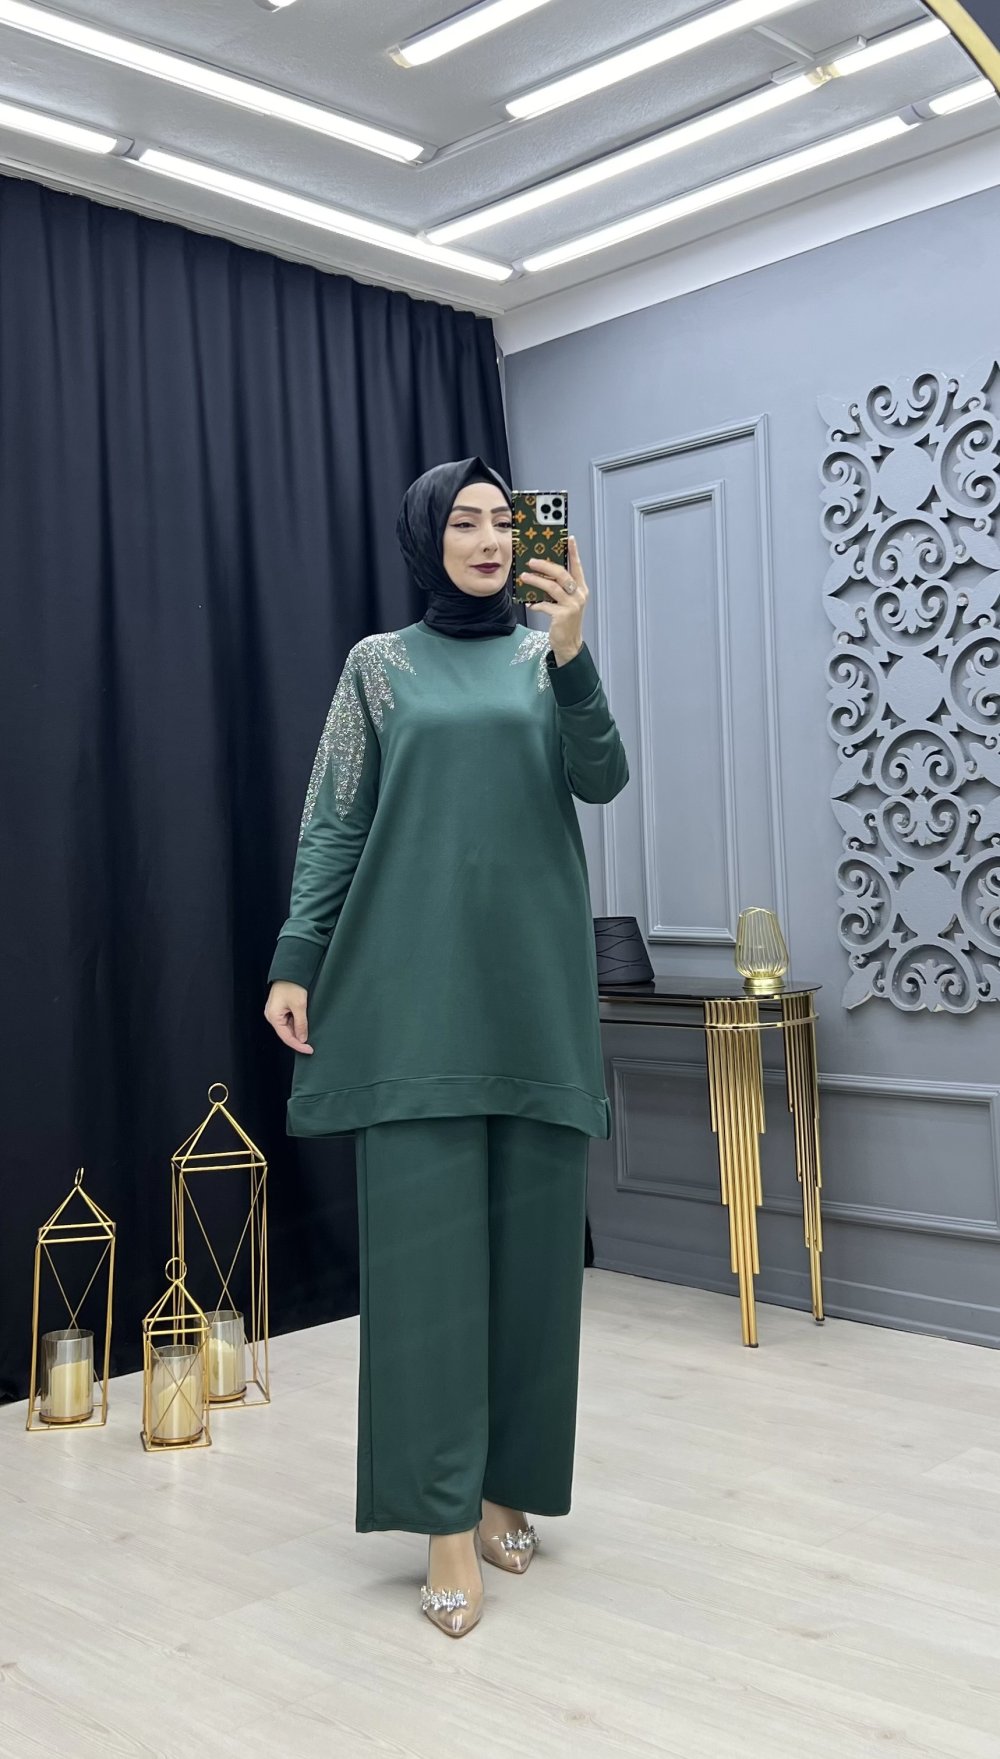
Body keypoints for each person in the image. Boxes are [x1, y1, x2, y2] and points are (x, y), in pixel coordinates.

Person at [264, 456, 629, 1637]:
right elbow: (335, 820)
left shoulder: (544, 657)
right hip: (409, 995)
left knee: (533, 1264)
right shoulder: (378, 666)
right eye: (462, 521)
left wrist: (572, 649)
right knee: (425, 1275)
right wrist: (295, 955)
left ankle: (505, 1483)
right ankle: (440, 1521)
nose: (485, 538)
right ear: (429, 538)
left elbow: (602, 778)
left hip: (532, 995)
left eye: (501, 521)